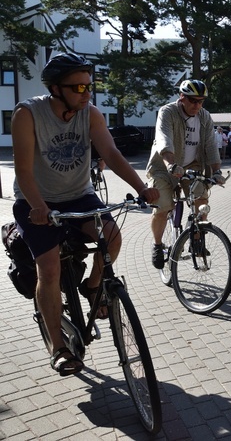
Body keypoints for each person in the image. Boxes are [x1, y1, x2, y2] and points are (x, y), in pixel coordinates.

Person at [11, 52, 159, 376]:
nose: (86, 93)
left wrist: (142, 186)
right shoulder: (27, 114)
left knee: (113, 237)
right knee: (48, 269)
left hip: (79, 196)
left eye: (88, 86)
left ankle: (92, 287)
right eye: (77, 88)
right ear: (56, 88)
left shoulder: (89, 114)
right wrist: (38, 207)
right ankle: (58, 347)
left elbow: (111, 153)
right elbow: (22, 170)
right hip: (36, 202)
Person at [148, 79, 224, 269]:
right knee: (163, 206)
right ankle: (157, 245)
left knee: (201, 200)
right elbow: (163, 139)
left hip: (192, 166)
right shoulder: (168, 112)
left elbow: (210, 146)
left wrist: (217, 171)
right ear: (182, 97)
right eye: (192, 100)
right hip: (164, 167)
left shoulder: (204, 117)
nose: (197, 105)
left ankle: (197, 241)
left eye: (201, 101)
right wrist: (171, 165)